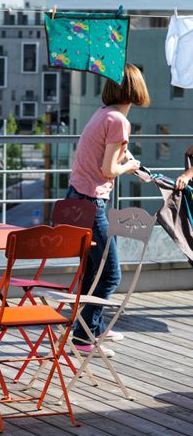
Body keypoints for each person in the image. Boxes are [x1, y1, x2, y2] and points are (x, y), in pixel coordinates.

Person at [66, 63, 150, 358]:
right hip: (91, 202)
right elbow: (108, 168)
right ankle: (82, 337)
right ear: (135, 90)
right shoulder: (118, 121)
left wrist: (126, 159)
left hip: (75, 199)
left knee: (93, 270)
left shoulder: (103, 114)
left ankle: (94, 326)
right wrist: (129, 167)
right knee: (111, 274)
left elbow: (102, 155)